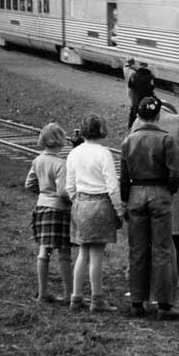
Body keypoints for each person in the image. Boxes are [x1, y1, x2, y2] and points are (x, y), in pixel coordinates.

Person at [120, 97, 179, 319]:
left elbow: (124, 176)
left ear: (138, 116)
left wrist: (126, 200)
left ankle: (137, 302)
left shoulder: (129, 141)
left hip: (136, 194)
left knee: (137, 249)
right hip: (159, 193)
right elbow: (175, 173)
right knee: (162, 249)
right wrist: (168, 191)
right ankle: (164, 304)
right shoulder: (166, 140)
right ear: (157, 116)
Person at [132, 103, 179, 281]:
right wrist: (178, 158)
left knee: (151, 238)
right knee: (177, 238)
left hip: (146, 187)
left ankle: (151, 283)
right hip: (177, 188)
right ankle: (172, 285)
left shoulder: (137, 123)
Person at [66, 113, 123, 313]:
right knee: (97, 254)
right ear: (101, 130)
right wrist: (119, 210)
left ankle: (76, 297)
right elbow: (113, 187)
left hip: (81, 203)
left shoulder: (74, 153)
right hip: (100, 204)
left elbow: (69, 186)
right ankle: (97, 298)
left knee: (82, 252)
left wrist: (77, 201)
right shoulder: (103, 153)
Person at [26, 122, 73, 304]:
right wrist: (73, 200)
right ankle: (69, 293)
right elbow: (63, 192)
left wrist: (43, 194)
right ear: (60, 140)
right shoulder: (61, 164)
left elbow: (29, 184)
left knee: (43, 251)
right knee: (64, 253)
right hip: (59, 210)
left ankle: (42, 292)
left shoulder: (37, 160)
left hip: (42, 207)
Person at [126, 62, 155, 128]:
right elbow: (152, 87)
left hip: (136, 98)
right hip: (146, 98)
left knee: (134, 111)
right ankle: (145, 126)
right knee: (147, 111)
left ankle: (131, 126)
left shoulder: (134, 75)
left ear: (140, 66)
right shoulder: (150, 76)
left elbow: (130, 86)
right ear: (146, 66)